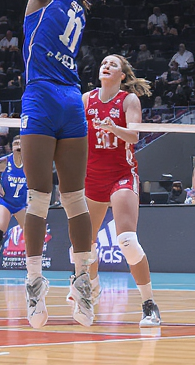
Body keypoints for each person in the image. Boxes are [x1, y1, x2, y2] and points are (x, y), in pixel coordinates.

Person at [7, 0, 102, 329]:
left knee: (39, 200)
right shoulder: (74, 7)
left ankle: (33, 287)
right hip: (72, 101)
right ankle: (83, 286)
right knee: (77, 201)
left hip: (43, 97)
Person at [82, 55, 161, 327]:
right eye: (103, 62)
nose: (106, 65)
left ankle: (149, 304)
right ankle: (90, 293)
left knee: (127, 240)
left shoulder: (128, 100)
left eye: (113, 64)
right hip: (91, 177)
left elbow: (135, 136)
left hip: (121, 175)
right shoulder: (86, 100)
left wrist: (114, 128)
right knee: (84, 246)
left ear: (122, 76)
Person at [0, 139, 27, 289]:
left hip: (22, 204)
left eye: (21, 142)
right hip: (5, 201)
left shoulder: (31, 162)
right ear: (11, 147)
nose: (18, 145)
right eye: (15, 142)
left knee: (33, 237)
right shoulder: (3, 162)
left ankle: (33, 275)